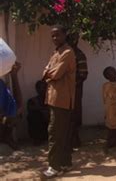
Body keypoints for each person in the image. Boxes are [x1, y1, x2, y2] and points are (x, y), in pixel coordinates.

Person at [42, 25, 76, 178]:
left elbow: (54, 74)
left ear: (65, 35)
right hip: (54, 98)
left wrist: (48, 73)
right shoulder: (57, 52)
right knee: (61, 133)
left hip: (62, 99)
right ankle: (65, 163)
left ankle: (54, 167)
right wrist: (48, 72)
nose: (55, 38)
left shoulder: (68, 53)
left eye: (58, 35)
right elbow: (46, 71)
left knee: (55, 133)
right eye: (53, 36)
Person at [67, 33, 88, 149]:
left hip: (75, 90)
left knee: (74, 116)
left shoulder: (79, 55)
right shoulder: (65, 53)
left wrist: (73, 85)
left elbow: (83, 75)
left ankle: (74, 140)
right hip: (66, 91)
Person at [0, 61, 22, 150]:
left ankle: (6, 137)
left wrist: (14, 75)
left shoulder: (1, 84)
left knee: (12, 115)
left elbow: (17, 105)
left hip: (4, 117)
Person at [102, 66, 116, 153]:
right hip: (111, 110)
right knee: (112, 128)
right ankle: (107, 146)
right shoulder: (107, 86)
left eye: (115, 70)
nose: (115, 72)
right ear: (108, 76)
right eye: (112, 72)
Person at [27, 80, 49, 145]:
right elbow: (30, 108)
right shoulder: (32, 101)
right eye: (40, 88)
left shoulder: (51, 100)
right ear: (37, 89)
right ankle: (37, 139)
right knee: (34, 116)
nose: (43, 90)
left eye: (44, 88)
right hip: (39, 125)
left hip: (48, 125)